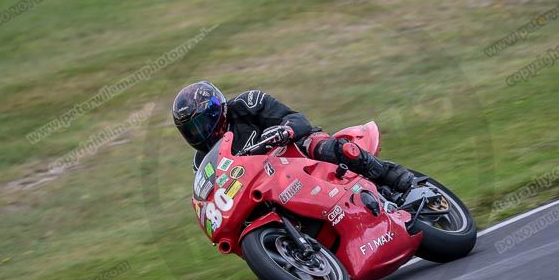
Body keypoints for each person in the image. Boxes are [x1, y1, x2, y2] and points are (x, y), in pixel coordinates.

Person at [172, 81, 415, 192]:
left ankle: (389, 175)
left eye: (201, 123)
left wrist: (284, 131)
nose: (200, 132)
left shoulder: (247, 104)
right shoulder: (201, 161)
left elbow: (297, 119)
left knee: (322, 147)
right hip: (268, 186)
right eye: (191, 130)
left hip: (295, 152)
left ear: (217, 110)